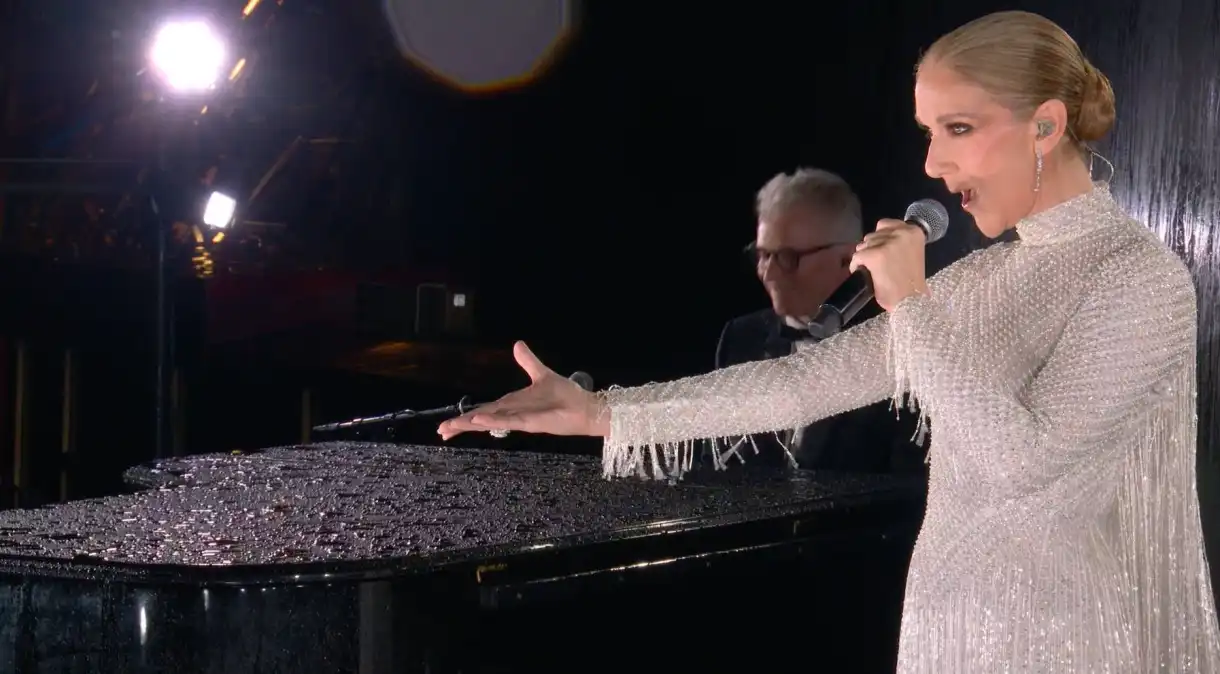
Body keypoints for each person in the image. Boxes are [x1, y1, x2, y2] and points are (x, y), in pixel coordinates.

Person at [439, 10, 1220, 672]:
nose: (933, 162)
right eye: (928, 133)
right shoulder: (982, 281)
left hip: (1065, 647)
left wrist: (910, 303)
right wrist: (601, 412)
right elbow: (800, 383)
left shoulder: (1137, 278)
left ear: (1046, 124)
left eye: (958, 128)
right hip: (944, 636)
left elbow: (1025, 465)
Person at [717, 167, 926, 472]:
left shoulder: (901, 345)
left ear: (849, 258)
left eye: (788, 258)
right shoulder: (741, 335)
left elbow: (910, 480)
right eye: (762, 255)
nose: (768, 273)